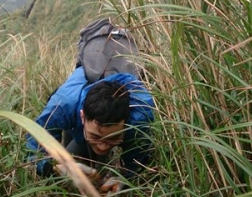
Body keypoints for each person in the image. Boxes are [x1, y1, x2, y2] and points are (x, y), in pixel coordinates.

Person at [26, 64, 155, 185]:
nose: (102, 147)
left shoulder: (140, 118)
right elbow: (33, 153)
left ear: (127, 123)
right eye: (96, 136)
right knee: (70, 164)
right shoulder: (62, 106)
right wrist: (55, 168)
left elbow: (138, 164)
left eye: (114, 138)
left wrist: (124, 181)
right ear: (83, 117)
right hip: (75, 106)